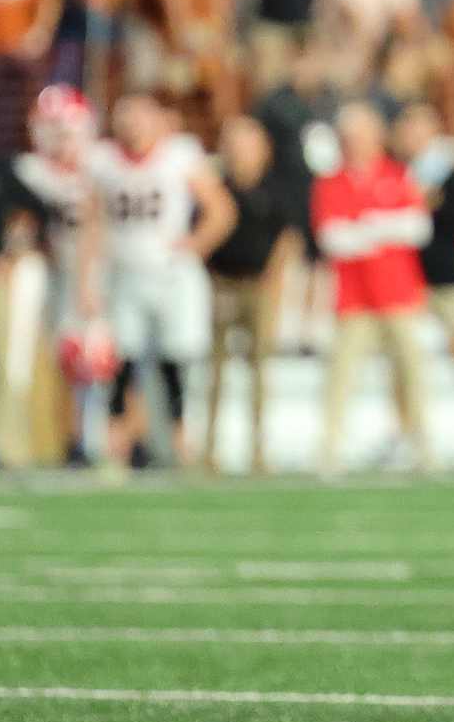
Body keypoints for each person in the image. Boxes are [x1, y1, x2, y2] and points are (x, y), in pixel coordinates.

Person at [81, 92, 236, 467]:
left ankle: (182, 447)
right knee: (122, 363)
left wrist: (194, 244)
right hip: (125, 274)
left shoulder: (180, 155)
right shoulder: (103, 160)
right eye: (125, 115)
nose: (132, 123)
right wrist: (87, 278)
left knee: (175, 362)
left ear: (158, 119)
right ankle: (117, 447)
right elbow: (93, 222)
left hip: (171, 274)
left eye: (139, 115)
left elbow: (221, 211)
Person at [310, 102, 432, 473]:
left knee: (410, 374)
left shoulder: (397, 175)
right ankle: (329, 450)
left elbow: (417, 227)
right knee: (342, 376)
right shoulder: (331, 183)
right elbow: (333, 239)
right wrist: (382, 228)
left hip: (398, 295)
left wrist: (366, 229)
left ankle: (421, 447)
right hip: (354, 300)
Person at [393, 100, 454, 457]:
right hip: (407, 274)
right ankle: (403, 425)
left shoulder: (445, 170)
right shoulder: (404, 171)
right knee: (404, 352)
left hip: (443, 273)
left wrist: (430, 204)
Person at [10, 86, 101, 464]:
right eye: (52, 129)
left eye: (66, 129)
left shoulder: (99, 167)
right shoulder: (27, 170)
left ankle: (85, 440)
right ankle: (32, 441)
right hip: (40, 272)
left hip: (90, 275)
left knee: (87, 360)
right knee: (30, 356)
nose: (60, 139)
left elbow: (100, 225)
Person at [204, 115, 299, 473]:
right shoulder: (216, 185)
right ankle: (210, 450)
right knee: (216, 370)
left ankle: (258, 449)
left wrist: (274, 281)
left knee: (259, 369)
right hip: (223, 284)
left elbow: (287, 238)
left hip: (259, 287)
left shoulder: (275, 188)